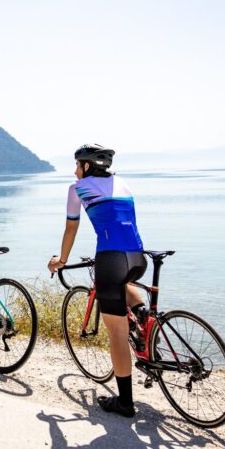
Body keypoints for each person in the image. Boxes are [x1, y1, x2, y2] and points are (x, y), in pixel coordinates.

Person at [48, 144, 147, 418]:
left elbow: (71, 226)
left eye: (78, 165)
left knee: (117, 333)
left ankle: (125, 403)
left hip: (111, 259)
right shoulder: (123, 183)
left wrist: (62, 259)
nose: (75, 170)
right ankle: (144, 317)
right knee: (123, 285)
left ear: (87, 166)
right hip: (137, 257)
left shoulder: (77, 188)